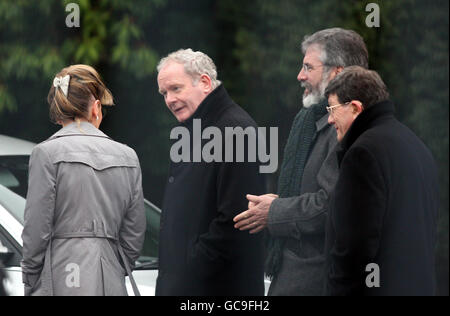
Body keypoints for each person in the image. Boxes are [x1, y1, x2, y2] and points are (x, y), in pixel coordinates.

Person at [233, 28, 369, 295]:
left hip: (317, 279)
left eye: (308, 67)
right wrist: (277, 201)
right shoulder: (309, 121)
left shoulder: (347, 126)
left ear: (337, 73)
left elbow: (331, 205)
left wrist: (275, 211)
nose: (300, 75)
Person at [21, 64, 146, 296]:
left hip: (58, 278)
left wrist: (30, 278)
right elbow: (134, 233)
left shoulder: (46, 153)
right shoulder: (128, 156)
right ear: (96, 107)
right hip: (111, 282)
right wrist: (112, 267)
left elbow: (36, 230)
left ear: (58, 109)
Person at [156, 49, 265, 296]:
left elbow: (235, 221)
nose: (169, 99)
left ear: (205, 82)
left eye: (176, 89)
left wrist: (186, 271)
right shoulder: (195, 130)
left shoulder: (236, 131)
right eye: (164, 93)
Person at [323, 66, 439, 295]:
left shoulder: (363, 154)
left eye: (332, 109)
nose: (329, 119)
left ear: (355, 108)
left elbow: (354, 252)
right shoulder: (415, 145)